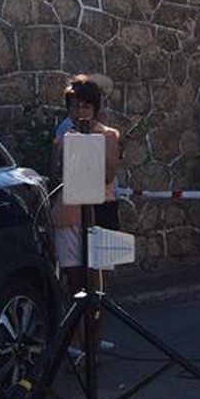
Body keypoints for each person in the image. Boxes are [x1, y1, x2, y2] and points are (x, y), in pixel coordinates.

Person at [50, 75, 122, 299]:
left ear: (94, 108)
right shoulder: (63, 138)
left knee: (96, 282)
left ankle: (95, 333)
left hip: (100, 211)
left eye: (85, 106)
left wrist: (85, 149)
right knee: (74, 281)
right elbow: (55, 174)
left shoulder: (108, 136)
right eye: (75, 106)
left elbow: (108, 174)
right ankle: (77, 333)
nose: (80, 112)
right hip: (70, 214)